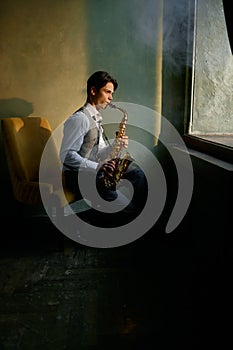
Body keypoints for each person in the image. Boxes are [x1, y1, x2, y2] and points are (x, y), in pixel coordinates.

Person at [60, 70, 147, 226]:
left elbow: (97, 152)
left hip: (94, 172)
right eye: (107, 92)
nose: (111, 98)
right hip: (79, 177)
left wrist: (115, 146)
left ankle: (138, 215)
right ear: (93, 90)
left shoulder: (96, 118)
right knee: (129, 209)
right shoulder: (80, 119)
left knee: (137, 173)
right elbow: (66, 156)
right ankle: (97, 219)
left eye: (112, 93)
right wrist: (98, 166)